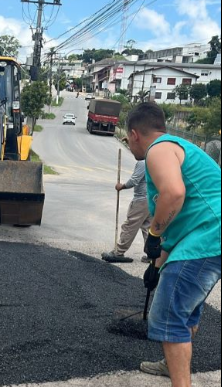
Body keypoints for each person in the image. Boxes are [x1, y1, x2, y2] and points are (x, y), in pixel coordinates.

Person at [126, 103, 221, 387]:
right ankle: (171, 365)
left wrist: (153, 234)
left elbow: (174, 193)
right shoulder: (178, 147)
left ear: (134, 134)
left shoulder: (159, 149)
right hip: (205, 238)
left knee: (168, 315)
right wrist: (156, 265)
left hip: (209, 236)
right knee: (186, 308)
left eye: (127, 140)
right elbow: (178, 222)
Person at [102, 159, 152, 263]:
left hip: (141, 200)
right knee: (148, 227)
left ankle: (118, 252)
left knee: (130, 225)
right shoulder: (153, 159)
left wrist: (121, 186)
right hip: (151, 199)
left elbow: (134, 180)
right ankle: (152, 255)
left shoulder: (142, 162)